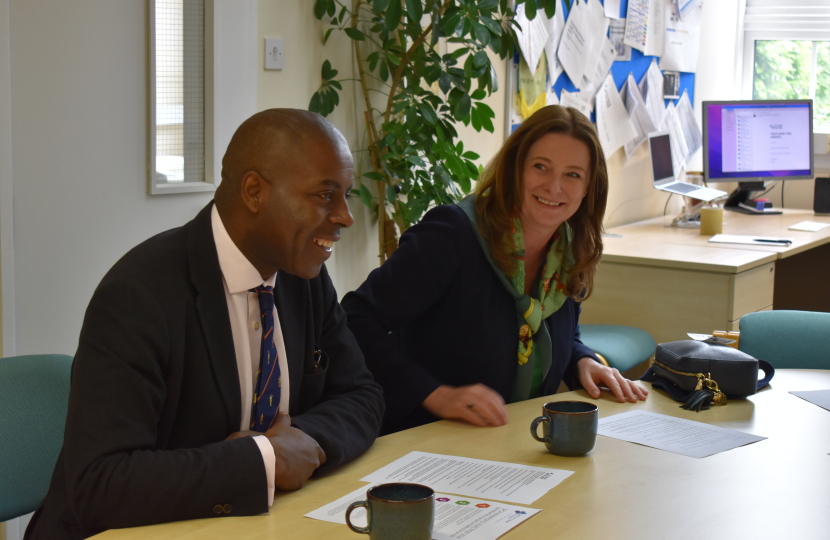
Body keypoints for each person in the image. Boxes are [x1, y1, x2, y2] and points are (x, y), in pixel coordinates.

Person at [25, 109, 385, 540]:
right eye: (325, 195)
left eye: (346, 195)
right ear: (254, 191)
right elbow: (101, 483)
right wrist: (263, 460)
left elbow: (363, 395)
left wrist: (296, 445)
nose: (345, 216)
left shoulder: (301, 277)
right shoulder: (139, 294)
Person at [342, 105, 647, 435]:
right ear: (516, 168)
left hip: (517, 441)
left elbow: (559, 334)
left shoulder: (569, 248)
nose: (554, 186)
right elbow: (354, 320)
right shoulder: (453, 234)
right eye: (541, 167)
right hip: (427, 440)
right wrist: (436, 395)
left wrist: (582, 361)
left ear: (589, 187)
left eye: (573, 174)